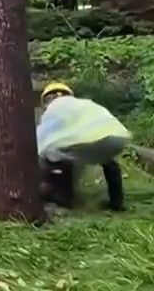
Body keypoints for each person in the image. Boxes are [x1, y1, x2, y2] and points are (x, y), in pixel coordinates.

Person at [37, 82, 127, 212]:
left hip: (76, 143)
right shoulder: (83, 104)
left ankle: (62, 197)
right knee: (110, 163)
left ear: (46, 101)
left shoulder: (53, 110)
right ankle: (117, 202)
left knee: (53, 156)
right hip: (112, 137)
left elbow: (41, 141)